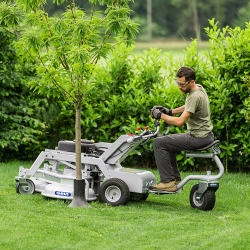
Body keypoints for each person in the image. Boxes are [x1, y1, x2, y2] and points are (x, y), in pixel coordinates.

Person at [150, 66, 214, 192]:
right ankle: (175, 180)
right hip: (206, 135)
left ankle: (168, 182)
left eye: (182, 84)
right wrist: (170, 111)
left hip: (198, 137)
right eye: (178, 83)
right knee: (169, 143)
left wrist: (161, 115)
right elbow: (189, 106)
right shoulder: (198, 89)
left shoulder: (195, 96)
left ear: (191, 82)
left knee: (159, 142)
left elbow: (180, 122)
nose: (179, 86)